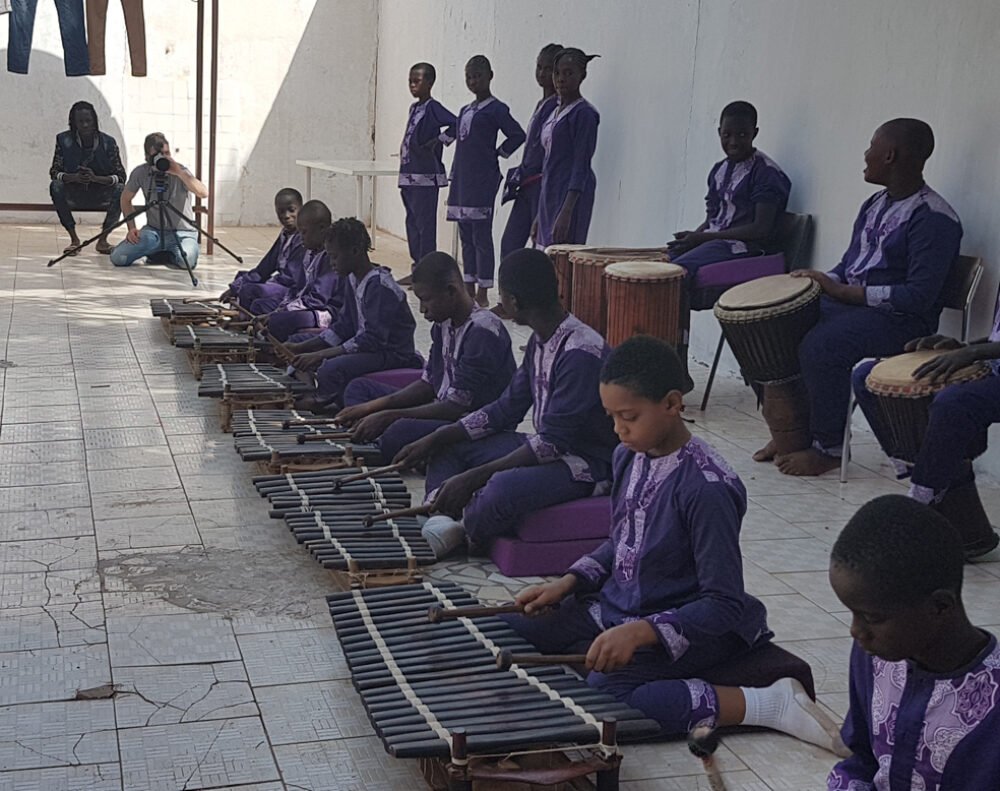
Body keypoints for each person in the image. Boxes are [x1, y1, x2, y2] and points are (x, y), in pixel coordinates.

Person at [501, 336, 846, 752]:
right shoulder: (628, 455)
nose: (618, 429)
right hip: (618, 608)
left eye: (629, 416)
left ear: (671, 403)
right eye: (611, 417)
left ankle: (770, 703)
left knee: (606, 700)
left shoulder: (707, 488)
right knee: (509, 626)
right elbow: (622, 540)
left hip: (693, 624)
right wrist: (569, 582)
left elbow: (723, 602)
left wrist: (641, 632)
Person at [761, 119, 962, 476]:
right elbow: (850, 265)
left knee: (822, 346)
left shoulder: (934, 218)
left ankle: (829, 448)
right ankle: (792, 429)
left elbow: (918, 296)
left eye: (871, 146)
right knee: (776, 324)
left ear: (890, 155)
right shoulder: (874, 203)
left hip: (902, 322)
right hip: (854, 308)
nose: (865, 154)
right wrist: (820, 281)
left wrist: (842, 292)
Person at [393, 248, 618, 558]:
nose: (501, 303)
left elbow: (552, 443)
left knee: (501, 486)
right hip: (547, 449)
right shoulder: (540, 341)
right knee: (447, 448)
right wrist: (439, 436)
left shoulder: (580, 352)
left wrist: (477, 475)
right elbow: (505, 409)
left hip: (586, 464)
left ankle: (464, 530)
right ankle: (440, 513)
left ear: (514, 301)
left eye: (502, 296)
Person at [828, 495, 1000, 790]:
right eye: (853, 613)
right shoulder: (873, 656)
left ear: (939, 607)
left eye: (872, 617)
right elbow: (863, 759)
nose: (856, 631)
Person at [336, 252, 516, 461]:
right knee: (358, 388)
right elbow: (428, 383)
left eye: (426, 300)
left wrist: (389, 415)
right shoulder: (443, 323)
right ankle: (383, 441)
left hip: (466, 423)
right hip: (440, 406)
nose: (422, 310)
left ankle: (386, 445)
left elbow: (454, 407)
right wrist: (372, 408)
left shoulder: (482, 332)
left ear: (451, 291)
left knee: (399, 429)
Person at [851, 323, 1000, 559]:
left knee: (954, 403)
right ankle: (924, 476)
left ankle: (920, 501)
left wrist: (972, 352)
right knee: (865, 374)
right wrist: (963, 347)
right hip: (992, 367)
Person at [286, 218, 422, 412]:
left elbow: (372, 340)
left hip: (391, 353)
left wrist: (320, 354)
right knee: (297, 342)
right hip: (366, 346)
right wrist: (302, 347)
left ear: (355, 251)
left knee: (330, 367)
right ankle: (311, 389)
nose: (331, 263)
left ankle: (323, 402)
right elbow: (345, 326)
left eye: (335, 257)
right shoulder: (351, 278)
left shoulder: (379, 286)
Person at [668, 101, 791, 277]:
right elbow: (711, 220)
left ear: (754, 133)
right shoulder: (718, 170)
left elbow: (761, 229)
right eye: (727, 135)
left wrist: (700, 238)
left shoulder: (766, 172)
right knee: (663, 262)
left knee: (678, 271)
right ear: (719, 132)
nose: (733, 142)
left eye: (742, 135)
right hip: (713, 242)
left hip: (746, 248)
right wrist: (690, 238)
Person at [446, 55, 526, 307]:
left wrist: (498, 153)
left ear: (490, 76)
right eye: (469, 77)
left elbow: (517, 134)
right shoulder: (465, 110)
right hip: (462, 178)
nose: (473, 81)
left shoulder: (497, 109)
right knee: (465, 234)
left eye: (478, 76)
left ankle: (483, 290)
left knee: (481, 235)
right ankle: (468, 286)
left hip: (482, 179)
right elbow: (456, 140)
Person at [532, 47, 600, 250]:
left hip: (570, 195)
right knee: (544, 254)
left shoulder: (584, 114)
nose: (561, 79)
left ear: (582, 76)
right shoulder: (553, 112)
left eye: (569, 73)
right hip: (550, 192)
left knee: (563, 255)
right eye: (557, 73)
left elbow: (581, 164)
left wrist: (567, 210)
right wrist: (539, 214)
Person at [499, 43, 561, 261]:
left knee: (539, 244)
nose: (542, 73)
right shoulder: (541, 104)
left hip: (543, 184)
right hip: (526, 184)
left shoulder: (559, 107)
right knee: (509, 244)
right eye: (539, 67)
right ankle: (509, 283)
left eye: (548, 69)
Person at [110, 132, 209, 270]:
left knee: (187, 261)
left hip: (183, 233)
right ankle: (156, 251)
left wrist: (179, 173)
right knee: (119, 257)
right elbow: (125, 199)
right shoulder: (141, 172)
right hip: (153, 232)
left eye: (166, 153)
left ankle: (166, 254)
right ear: (147, 157)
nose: (163, 158)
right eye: (157, 155)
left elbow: (203, 193)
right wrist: (131, 228)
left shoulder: (180, 170)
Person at [397, 63, 456, 285]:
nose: (412, 85)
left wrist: (439, 141)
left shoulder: (433, 108)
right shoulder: (414, 108)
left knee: (425, 225)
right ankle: (417, 268)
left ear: (429, 83)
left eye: (417, 81)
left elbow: (456, 123)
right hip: (409, 175)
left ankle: (428, 274)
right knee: (412, 222)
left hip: (425, 177)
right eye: (410, 81)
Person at [49, 101, 127, 256]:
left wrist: (96, 179)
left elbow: (121, 177)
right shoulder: (63, 140)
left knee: (121, 189)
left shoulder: (108, 142)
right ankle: (74, 240)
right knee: (55, 186)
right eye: (80, 121)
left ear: (94, 121)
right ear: (74, 123)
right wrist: (73, 177)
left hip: (101, 193)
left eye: (88, 121)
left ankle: (102, 240)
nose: (85, 125)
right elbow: (54, 172)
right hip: (74, 192)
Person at [259, 200, 343, 343]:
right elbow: (299, 289)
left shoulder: (330, 257)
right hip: (308, 305)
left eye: (304, 232)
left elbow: (317, 299)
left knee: (279, 322)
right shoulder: (309, 253)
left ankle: (276, 347)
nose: (301, 237)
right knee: (266, 310)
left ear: (322, 228)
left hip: (327, 312)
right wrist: (281, 309)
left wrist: (285, 311)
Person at [221, 188, 304, 310]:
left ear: (301, 209)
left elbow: (291, 277)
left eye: (291, 210)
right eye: (281, 212)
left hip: (292, 290)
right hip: (280, 284)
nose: (286, 216)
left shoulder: (304, 238)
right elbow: (265, 267)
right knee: (241, 278)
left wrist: (270, 283)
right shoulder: (285, 234)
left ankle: (246, 317)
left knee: (250, 292)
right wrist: (235, 287)